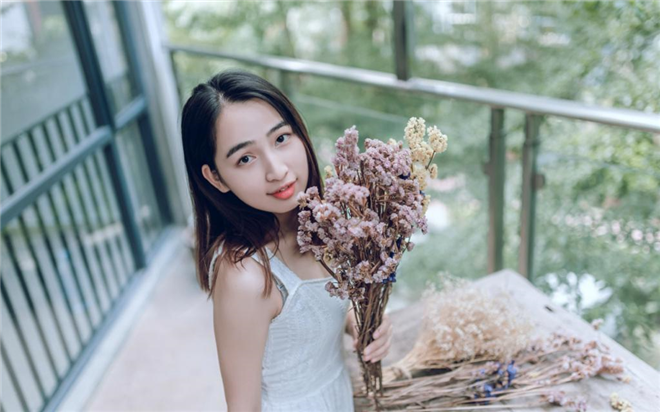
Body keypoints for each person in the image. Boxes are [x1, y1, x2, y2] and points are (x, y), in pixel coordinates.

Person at [180, 69, 393, 411]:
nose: (276, 170)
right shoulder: (245, 277)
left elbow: (313, 312)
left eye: (281, 139)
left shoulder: (324, 222)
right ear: (216, 178)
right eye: (245, 158)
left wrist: (359, 322)